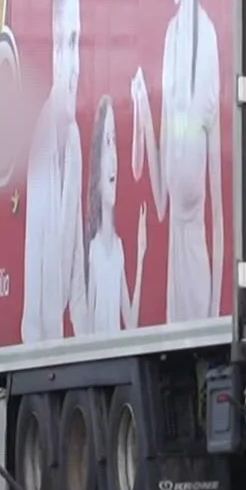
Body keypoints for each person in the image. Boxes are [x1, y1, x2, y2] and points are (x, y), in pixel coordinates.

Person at [131, 0, 226, 325]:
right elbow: (164, 197)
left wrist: (221, 317)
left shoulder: (205, 42)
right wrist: (145, 115)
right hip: (174, 303)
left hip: (199, 291)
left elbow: (221, 215)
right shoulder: (171, 40)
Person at [21, 0, 88, 343]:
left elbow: (75, 286)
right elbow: (44, 306)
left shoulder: (74, 141)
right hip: (39, 346)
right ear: (51, 49)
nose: (73, 61)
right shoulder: (44, 145)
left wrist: (95, 342)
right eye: (64, 42)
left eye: (78, 42)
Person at [83, 96, 148, 335]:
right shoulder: (92, 250)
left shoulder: (118, 248)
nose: (113, 160)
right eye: (106, 143)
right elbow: (87, 328)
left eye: (114, 143)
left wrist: (141, 255)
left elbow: (130, 321)